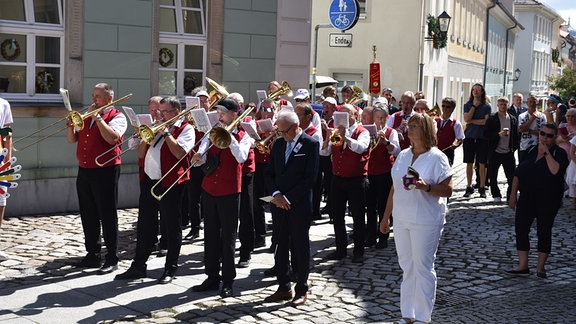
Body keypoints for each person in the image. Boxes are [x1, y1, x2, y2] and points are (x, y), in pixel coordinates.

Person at [380, 113, 453, 324]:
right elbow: (394, 187)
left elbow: (448, 190)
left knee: (422, 266)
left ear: (426, 130)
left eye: (414, 125)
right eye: (409, 125)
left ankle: (423, 317)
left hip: (426, 220)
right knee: (406, 266)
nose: (409, 128)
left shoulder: (437, 157)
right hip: (402, 218)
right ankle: (408, 315)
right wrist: (386, 217)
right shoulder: (403, 155)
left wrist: (425, 186)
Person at [115, 96, 194, 283]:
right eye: (159, 111)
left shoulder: (186, 129)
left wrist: (166, 133)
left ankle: (170, 268)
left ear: (176, 112)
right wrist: (145, 135)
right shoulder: (156, 127)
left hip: (171, 183)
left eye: (164, 111)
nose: (160, 115)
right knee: (145, 225)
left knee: (171, 225)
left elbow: (179, 153)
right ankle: (138, 266)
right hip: (150, 181)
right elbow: (141, 153)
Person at [191, 98, 251, 298]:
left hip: (229, 192)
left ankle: (228, 280)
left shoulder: (244, 135)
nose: (219, 116)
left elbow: (242, 157)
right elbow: (203, 156)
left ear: (234, 114)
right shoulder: (212, 132)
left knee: (228, 237)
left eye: (223, 113)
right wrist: (198, 158)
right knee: (210, 235)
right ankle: (211, 277)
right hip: (209, 189)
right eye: (218, 112)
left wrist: (229, 136)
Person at [66, 83, 127, 274]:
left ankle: (112, 257)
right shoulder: (87, 115)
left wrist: (98, 118)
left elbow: (112, 138)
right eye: (93, 96)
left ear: (109, 99)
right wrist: (70, 126)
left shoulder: (117, 116)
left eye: (98, 97)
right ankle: (92, 254)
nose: (93, 100)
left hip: (106, 170)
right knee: (88, 213)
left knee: (107, 214)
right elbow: (72, 139)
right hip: (84, 169)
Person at [263, 110, 319, 306]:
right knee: (279, 245)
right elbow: (269, 173)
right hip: (279, 204)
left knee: (300, 246)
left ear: (296, 127)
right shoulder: (278, 144)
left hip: (299, 205)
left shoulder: (310, 144)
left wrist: (288, 198)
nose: (282, 135)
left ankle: (301, 289)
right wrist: (277, 195)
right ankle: (283, 286)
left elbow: (309, 179)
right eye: (279, 131)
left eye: (284, 131)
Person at [507, 123, 569, 279]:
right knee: (521, 229)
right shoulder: (530, 150)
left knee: (544, 230)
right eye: (543, 134)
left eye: (549, 135)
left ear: (554, 138)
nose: (545, 138)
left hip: (548, 199)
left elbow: (555, 171)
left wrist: (547, 153)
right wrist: (513, 195)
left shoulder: (559, 153)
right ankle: (523, 265)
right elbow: (518, 173)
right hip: (527, 197)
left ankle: (540, 268)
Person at [323, 103, 369, 263]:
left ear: (355, 115)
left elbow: (360, 148)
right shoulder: (337, 133)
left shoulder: (362, 132)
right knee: (337, 215)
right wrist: (328, 136)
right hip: (338, 179)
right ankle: (340, 250)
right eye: (340, 114)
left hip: (356, 180)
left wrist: (345, 136)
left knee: (357, 216)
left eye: (347, 114)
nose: (343, 118)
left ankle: (358, 251)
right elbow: (326, 151)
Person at [365, 103, 399, 249]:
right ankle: (371, 235)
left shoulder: (391, 132)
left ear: (386, 118)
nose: (379, 121)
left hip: (385, 173)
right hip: (370, 172)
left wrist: (385, 142)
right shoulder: (368, 131)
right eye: (377, 117)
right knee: (370, 206)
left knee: (383, 205)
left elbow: (396, 150)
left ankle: (383, 236)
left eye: (382, 118)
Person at [484, 97, 519, 203]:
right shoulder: (492, 118)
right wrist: (498, 135)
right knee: (493, 176)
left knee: (511, 176)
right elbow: (486, 134)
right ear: (498, 105)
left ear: (508, 105)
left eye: (505, 104)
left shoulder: (512, 119)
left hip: (508, 151)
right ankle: (496, 195)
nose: (503, 106)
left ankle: (510, 196)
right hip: (495, 151)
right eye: (501, 104)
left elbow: (516, 135)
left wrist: (514, 147)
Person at [462, 83, 491, 198]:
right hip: (469, 137)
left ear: (482, 91)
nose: (475, 91)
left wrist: (472, 121)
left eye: (478, 89)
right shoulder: (467, 105)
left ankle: (482, 186)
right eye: (474, 89)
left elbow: (485, 122)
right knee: (469, 162)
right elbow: (466, 118)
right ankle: (469, 186)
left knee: (482, 163)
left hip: (482, 138)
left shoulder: (486, 106)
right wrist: (474, 107)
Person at [0, 97, 13, 261]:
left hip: (0, 160)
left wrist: (8, 160)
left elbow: (7, 133)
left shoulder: (3, 104)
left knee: (0, 202)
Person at [435, 97, 464, 166]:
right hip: (434, 151)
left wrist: (456, 145)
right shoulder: (435, 120)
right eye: (443, 106)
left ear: (452, 109)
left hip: (447, 153)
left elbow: (460, 139)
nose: (444, 108)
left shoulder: (456, 123)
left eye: (447, 107)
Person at [518, 96, 547, 163]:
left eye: (534, 102)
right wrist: (532, 119)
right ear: (527, 103)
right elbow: (521, 129)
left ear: (537, 103)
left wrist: (529, 130)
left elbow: (543, 132)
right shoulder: (522, 116)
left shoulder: (542, 116)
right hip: (524, 146)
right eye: (530, 102)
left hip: (538, 146)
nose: (532, 104)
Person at [566, 135, 576, 207]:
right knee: (573, 183)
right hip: (575, 163)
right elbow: (572, 153)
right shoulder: (575, 138)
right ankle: (574, 202)